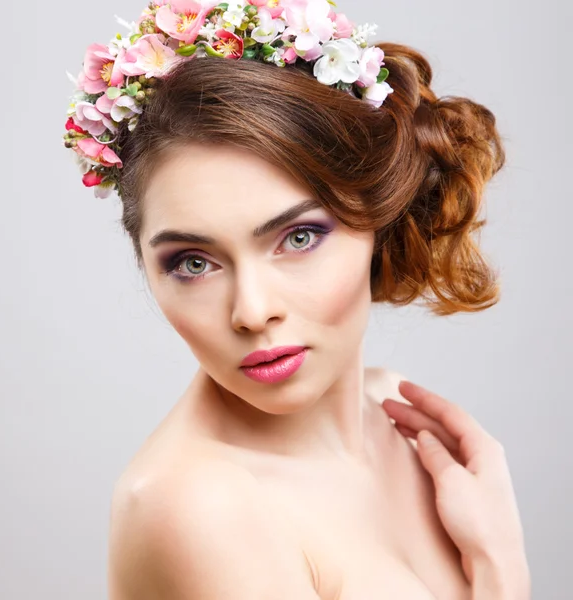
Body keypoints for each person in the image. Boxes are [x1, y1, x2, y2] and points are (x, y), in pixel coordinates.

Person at [64, 1, 530, 598]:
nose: (252, 312)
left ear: (376, 218)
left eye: (299, 237)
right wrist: (503, 570)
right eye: (193, 262)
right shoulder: (196, 508)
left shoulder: (397, 416)